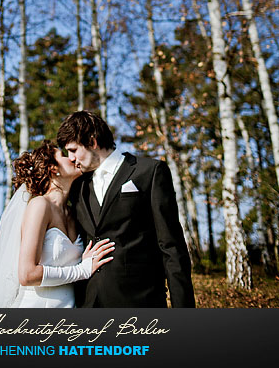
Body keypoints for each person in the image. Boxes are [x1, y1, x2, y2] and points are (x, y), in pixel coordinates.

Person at [57, 110, 196, 308]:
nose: (70, 158)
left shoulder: (149, 172)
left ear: (92, 141)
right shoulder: (77, 186)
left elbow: (171, 247)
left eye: (73, 150)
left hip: (140, 302)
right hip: (88, 303)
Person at [0, 139, 115, 308]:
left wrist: (82, 263)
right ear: (53, 168)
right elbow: (27, 274)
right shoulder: (40, 206)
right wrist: (82, 270)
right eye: (64, 155)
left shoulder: (73, 213)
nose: (72, 158)